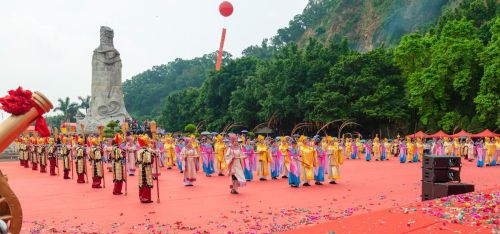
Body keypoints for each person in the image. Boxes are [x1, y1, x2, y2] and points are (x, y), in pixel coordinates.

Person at [136, 135, 153, 203]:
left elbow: (137, 161)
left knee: (142, 182)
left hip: (140, 167)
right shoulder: (146, 151)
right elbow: (149, 161)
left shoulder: (139, 151)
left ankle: (142, 196)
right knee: (146, 182)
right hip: (146, 168)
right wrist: (153, 156)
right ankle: (146, 197)